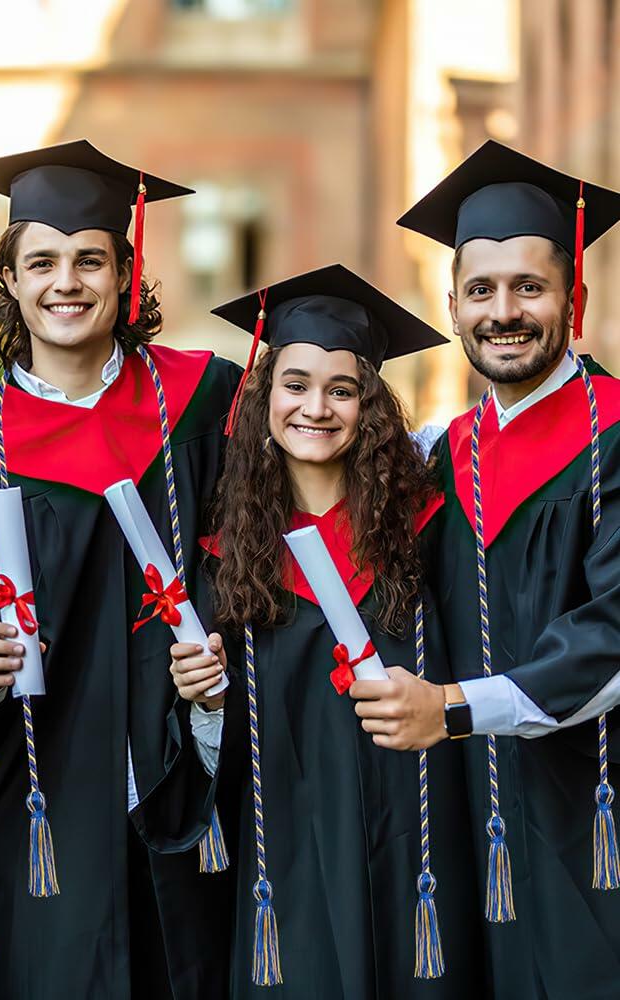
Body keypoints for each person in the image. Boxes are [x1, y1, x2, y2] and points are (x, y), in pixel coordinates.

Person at [0, 139, 240, 1000]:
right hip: (46, 823)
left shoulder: (205, 400)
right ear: (11, 282)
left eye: (87, 260)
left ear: (122, 272)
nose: (65, 282)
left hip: (198, 798)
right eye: (41, 263)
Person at [355, 140, 620, 998]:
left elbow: (613, 633)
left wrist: (457, 707)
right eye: (481, 290)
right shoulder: (440, 456)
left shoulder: (613, 436)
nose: (503, 311)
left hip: (596, 821)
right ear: (453, 306)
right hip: (469, 823)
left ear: (573, 299)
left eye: (529, 287)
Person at [174, 264, 484, 997]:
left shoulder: (427, 531)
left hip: (421, 848)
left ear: (369, 406)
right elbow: (213, 759)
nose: (317, 407)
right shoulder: (227, 560)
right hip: (289, 859)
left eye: (341, 389)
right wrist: (206, 704)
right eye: (296, 384)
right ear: (264, 397)